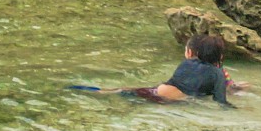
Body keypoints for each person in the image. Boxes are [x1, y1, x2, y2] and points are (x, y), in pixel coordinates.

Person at [72, 34, 235, 106]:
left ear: (192, 53)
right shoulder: (218, 75)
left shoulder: (187, 64)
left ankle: (86, 90)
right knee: (128, 98)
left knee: (120, 92)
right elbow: (221, 101)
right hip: (171, 101)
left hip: (158, 92)